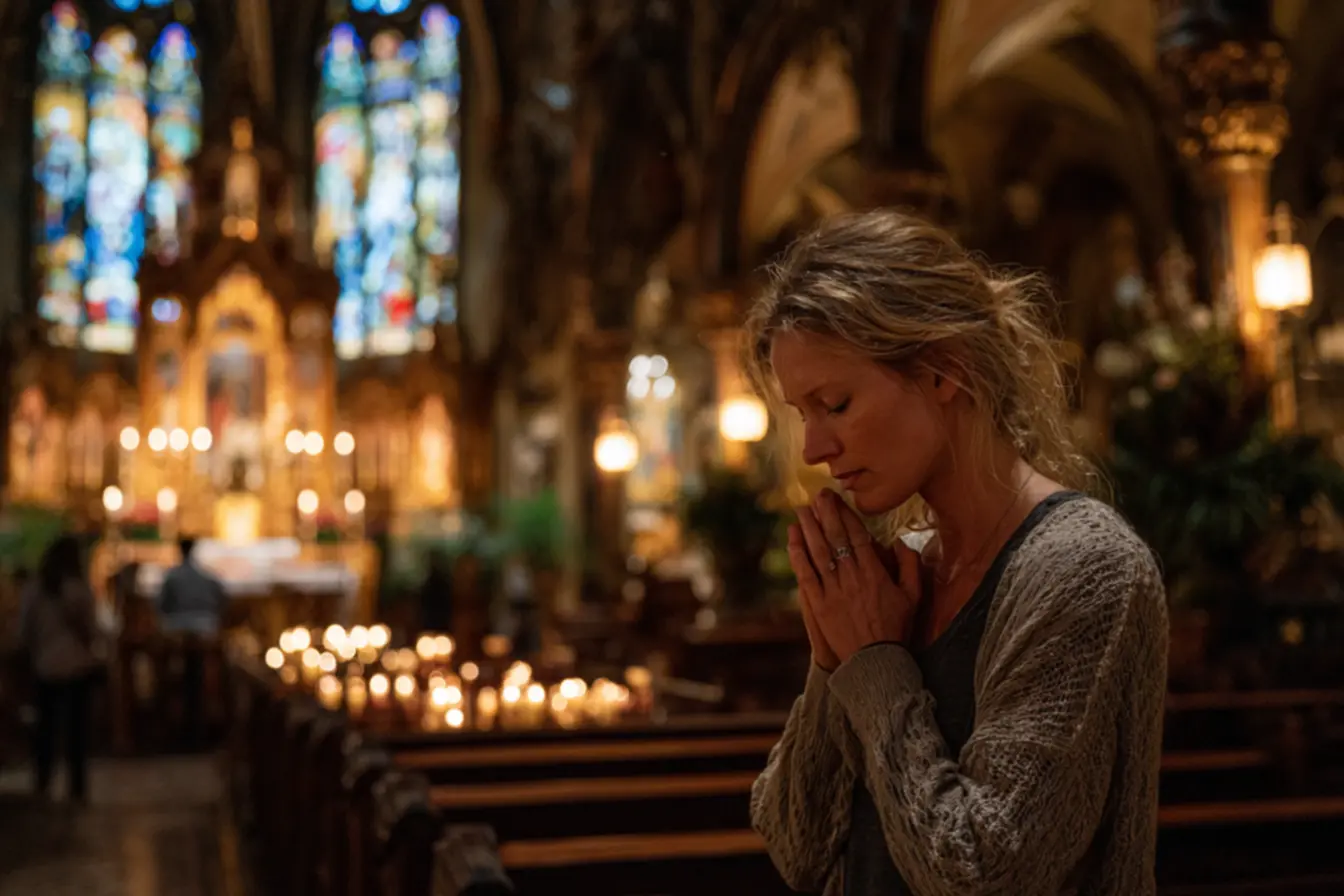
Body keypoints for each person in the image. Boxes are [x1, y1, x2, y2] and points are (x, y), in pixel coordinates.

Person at [744, 210, 1167, 895]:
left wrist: (873, 665)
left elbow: (980, 872)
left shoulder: (1084, 567)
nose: (814, 450)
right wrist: (836, 656)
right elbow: (796, 844)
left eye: (836, 403)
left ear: (943, 371)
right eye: (803, 415)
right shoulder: (899, 571)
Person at [18, 535, 99, 803]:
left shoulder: (34, 591)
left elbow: (25, 630)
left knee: (46, 728)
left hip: (44, 665)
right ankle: (77, 785)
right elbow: (91, 629)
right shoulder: (78, 590)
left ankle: (43, 780)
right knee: (76, 730)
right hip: (77, 665)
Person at [158, 537, 227, 749]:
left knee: (189, 683)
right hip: (203, 633)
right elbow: (222, 599)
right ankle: (198, 727)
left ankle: (186, 729)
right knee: (195, 683)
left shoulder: (173, 577)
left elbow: (162, 606)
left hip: (179, 634)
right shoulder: (206, 576)